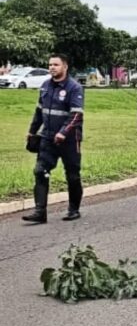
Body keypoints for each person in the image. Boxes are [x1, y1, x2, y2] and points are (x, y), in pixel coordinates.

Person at [22, 54, 84, 224]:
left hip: (70, 139)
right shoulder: (45, 86)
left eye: (56, 64)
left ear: (65, 67)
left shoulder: (74, 88)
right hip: (48, 137)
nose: (52, 67)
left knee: (72, 175)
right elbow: (39, 111)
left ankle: (73, 209)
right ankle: (40, 212)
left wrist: (63, 132)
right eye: (50, 64)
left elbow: (76, 114)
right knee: (40, 171)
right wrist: (32, 131)